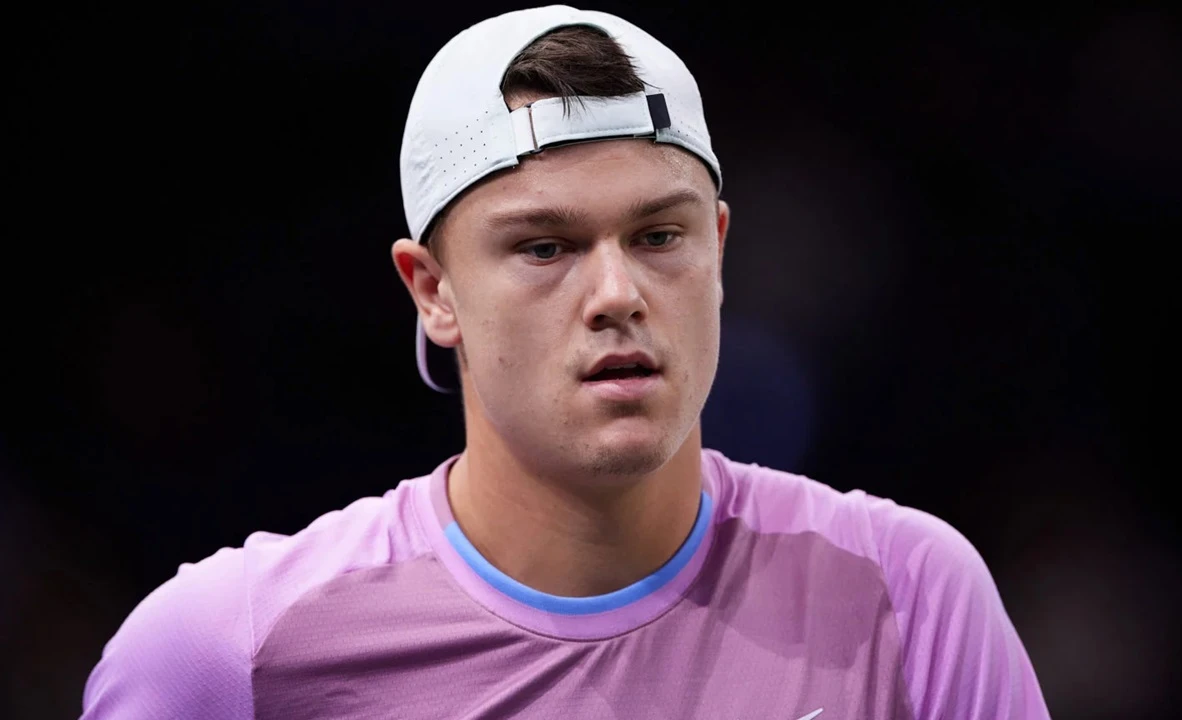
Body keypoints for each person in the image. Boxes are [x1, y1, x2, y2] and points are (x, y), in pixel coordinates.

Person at [81, 5, 1052, 719]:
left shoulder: (907, 595)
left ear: (718, 249)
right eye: (544, 247)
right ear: (432, 290)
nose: (616, 292)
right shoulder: (230, 654)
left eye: (659, 236)